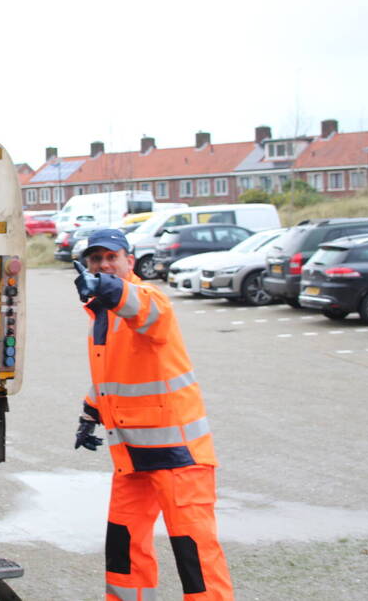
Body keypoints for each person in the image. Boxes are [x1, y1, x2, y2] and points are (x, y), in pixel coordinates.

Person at [72, 228, 233, 601]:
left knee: (195, 555)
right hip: (132, 455)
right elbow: (112, 376)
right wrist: (89, 413)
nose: (104, 265)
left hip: (180, 456)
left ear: (131, 261)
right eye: (96, 259)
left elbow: (142, 307)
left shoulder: (149, 299)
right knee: (124, 547)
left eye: (112, 257)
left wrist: (108, 289)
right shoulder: (102, 316)